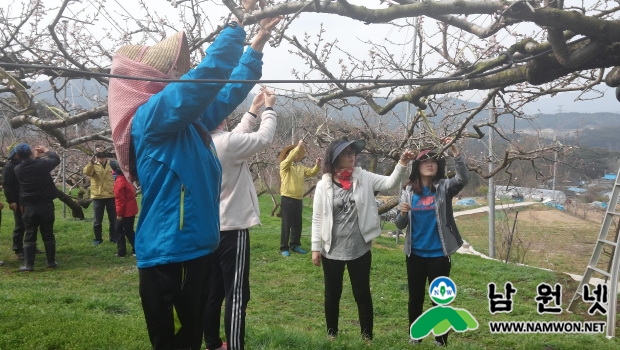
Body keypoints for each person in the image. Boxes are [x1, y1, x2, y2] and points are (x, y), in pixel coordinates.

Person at [107, 0, 281, 347]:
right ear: (148, 81)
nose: (177, 75)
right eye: (170, 71)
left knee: (190, 339)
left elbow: (224, 90)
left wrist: (258, 41)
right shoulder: (151, 118)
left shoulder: (187, 125)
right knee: (175, 344)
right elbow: (202, 81)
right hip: (171, 254)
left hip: (194, 248)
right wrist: (237, 22)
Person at [311, 139, 415, 342]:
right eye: (346, 153)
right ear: (335, 158)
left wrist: (402, 163)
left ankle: (367, 337)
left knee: (362, 293)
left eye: (352, 153)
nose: (352, 157)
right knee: (332, 294)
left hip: (359, 248)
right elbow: (317, 217)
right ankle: (332, 334)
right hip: (332, 249)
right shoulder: (323, 185)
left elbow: (390, 183)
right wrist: (316, 247)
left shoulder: (364, 177)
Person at [203, 89, 277, 350]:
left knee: (212, 291)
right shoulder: (227, 143)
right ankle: (235, 346)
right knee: (237, 295)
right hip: (233, 229)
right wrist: (269, 109)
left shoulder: (202, 141)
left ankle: (212, 342)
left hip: (209, 229)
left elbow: (234, 137)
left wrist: (252, 111)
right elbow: (263, 138)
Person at [394, 138, 467, 347]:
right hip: (415, 254)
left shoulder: (444, 187)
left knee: (440, 299)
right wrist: (401, 213)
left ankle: (440, 339)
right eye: (424, 161)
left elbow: (462, 179)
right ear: (417, 166)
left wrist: (455, 151)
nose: (429, 164)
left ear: (438, 167)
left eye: (434, 161)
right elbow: (400, 225)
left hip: (439, 254)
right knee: (415, 298)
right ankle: (415, 335)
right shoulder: (408, 191)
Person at [13, 144, 61, 272]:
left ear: (18, 155)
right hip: (46, 204)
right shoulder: (41, 165)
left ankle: (29, 265)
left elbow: (33, 165)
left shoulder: (18, 169)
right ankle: (51, 262)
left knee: (29, 235)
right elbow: (56, 159)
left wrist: (36, 158)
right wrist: (46, 150)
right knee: (48, 234)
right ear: (30, 152)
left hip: (29, 206)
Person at [279, 140, 321, 257]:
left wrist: (317, 165)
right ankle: (284, 247)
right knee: (286, 224)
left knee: (297, 223)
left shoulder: (301, 167)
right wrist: (297, 147)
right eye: (292, 153)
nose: (295, 155)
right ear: (288, 155)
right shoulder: (284, 165)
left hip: (298, 198)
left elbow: (312, 172)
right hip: (287, 198)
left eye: (296, 153)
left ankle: (295, 245)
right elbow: (288, 160)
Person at [83, 147, 116, 245]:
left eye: (102, 156)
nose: (101, 158)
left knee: (113, 219)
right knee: (97, 220)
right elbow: (86, 172)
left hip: (111, 195)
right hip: (98, 196)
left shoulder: (112, 165)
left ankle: (113, 237)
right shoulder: (93, 165)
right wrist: (91, 163)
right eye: (99, 156)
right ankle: (98, 238)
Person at [2, 145, 26, 260]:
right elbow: (7, 185)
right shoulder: (9, 168)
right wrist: (11, 200)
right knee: (20, 224)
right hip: (17, 198)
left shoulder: (23, 164)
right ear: (15, 155)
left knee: (30, 224)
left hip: (26, 198)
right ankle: (18, 248)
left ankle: (29, 246)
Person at [109, 160, 137, 258]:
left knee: (119, 230)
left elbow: (120, 200)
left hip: (126, 211)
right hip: (131, 209)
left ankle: (123, 252)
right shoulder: (127, 179)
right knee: (128, 230)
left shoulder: (119, 182)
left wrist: (119, 215)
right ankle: (135, 249)